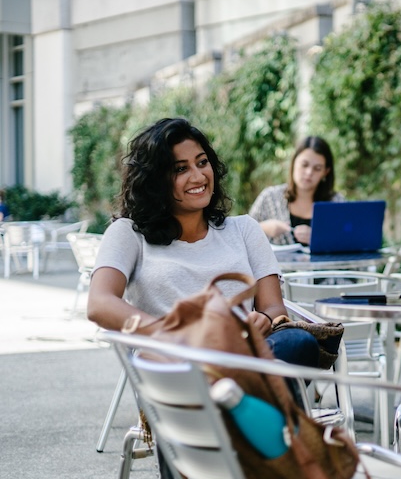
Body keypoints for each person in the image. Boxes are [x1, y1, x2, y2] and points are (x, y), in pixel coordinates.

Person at [87, 118, 319, 368]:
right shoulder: (128, 233)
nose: (198, 176)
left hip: (242, 354)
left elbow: (274, 307)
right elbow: (100, 304)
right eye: (180, 169)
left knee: (298, 343)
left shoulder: (244, 229)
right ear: (155, 181)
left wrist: (263, 319)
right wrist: (171, 336)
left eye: (202, 162)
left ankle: (235, 398)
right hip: (177, 364)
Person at [249, 136, 344, 246]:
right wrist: (263, 227)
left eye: (317, 168)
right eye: (304, 165)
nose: (309, 172)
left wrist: (319, 239)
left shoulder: (336, 202)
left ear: (326, 172)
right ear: (294, 162)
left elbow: (349, 241)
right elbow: (243, 233)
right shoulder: (270, 198)